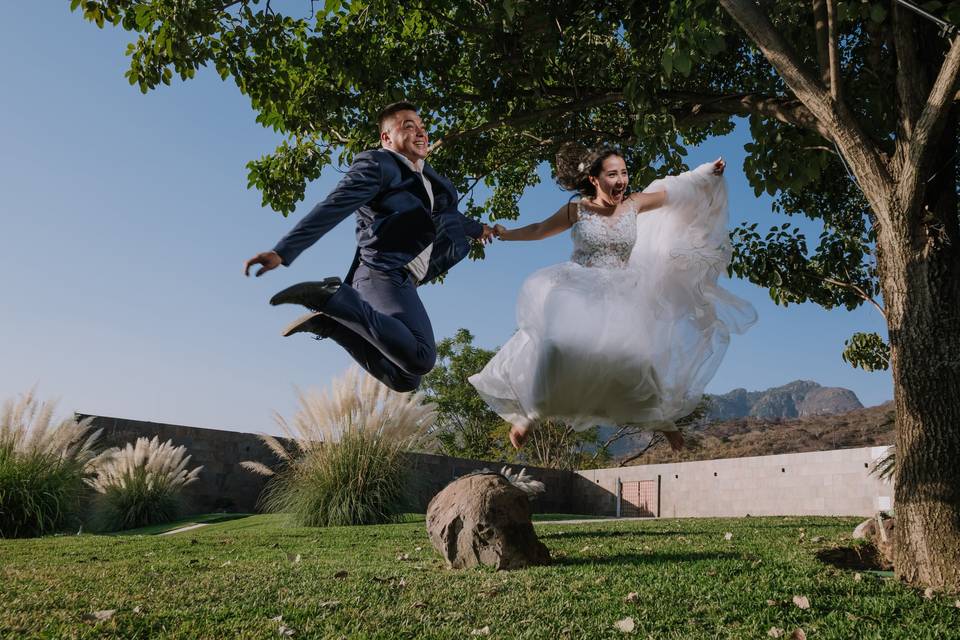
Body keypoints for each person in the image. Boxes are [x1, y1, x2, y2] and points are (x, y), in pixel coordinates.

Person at [469, 146, 757, 449]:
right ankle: (532, 413)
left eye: (624, 173)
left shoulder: (634, 204)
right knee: (555, 344)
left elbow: (677, 191)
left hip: (622, 288)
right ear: (594, 179)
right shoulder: (577, 210)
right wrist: (504, 233)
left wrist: (705, 173)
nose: (621, 180)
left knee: (635, 356)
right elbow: (540, 229)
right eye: (612, 174)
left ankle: (659, 417)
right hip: (579, 285)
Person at [244, 102, 495, 392]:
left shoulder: (425, 178)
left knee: (406, 378)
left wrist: (481, 230)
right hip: (379, 272)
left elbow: (449, 219)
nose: (421, 133)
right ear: (386, 138)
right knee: (422, 357)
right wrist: (283, 251)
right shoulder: (378, 165)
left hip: (403, 280)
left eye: (423, 128)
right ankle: (329, 297)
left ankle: (332, 325)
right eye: (408, 126)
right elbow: (334, 205)